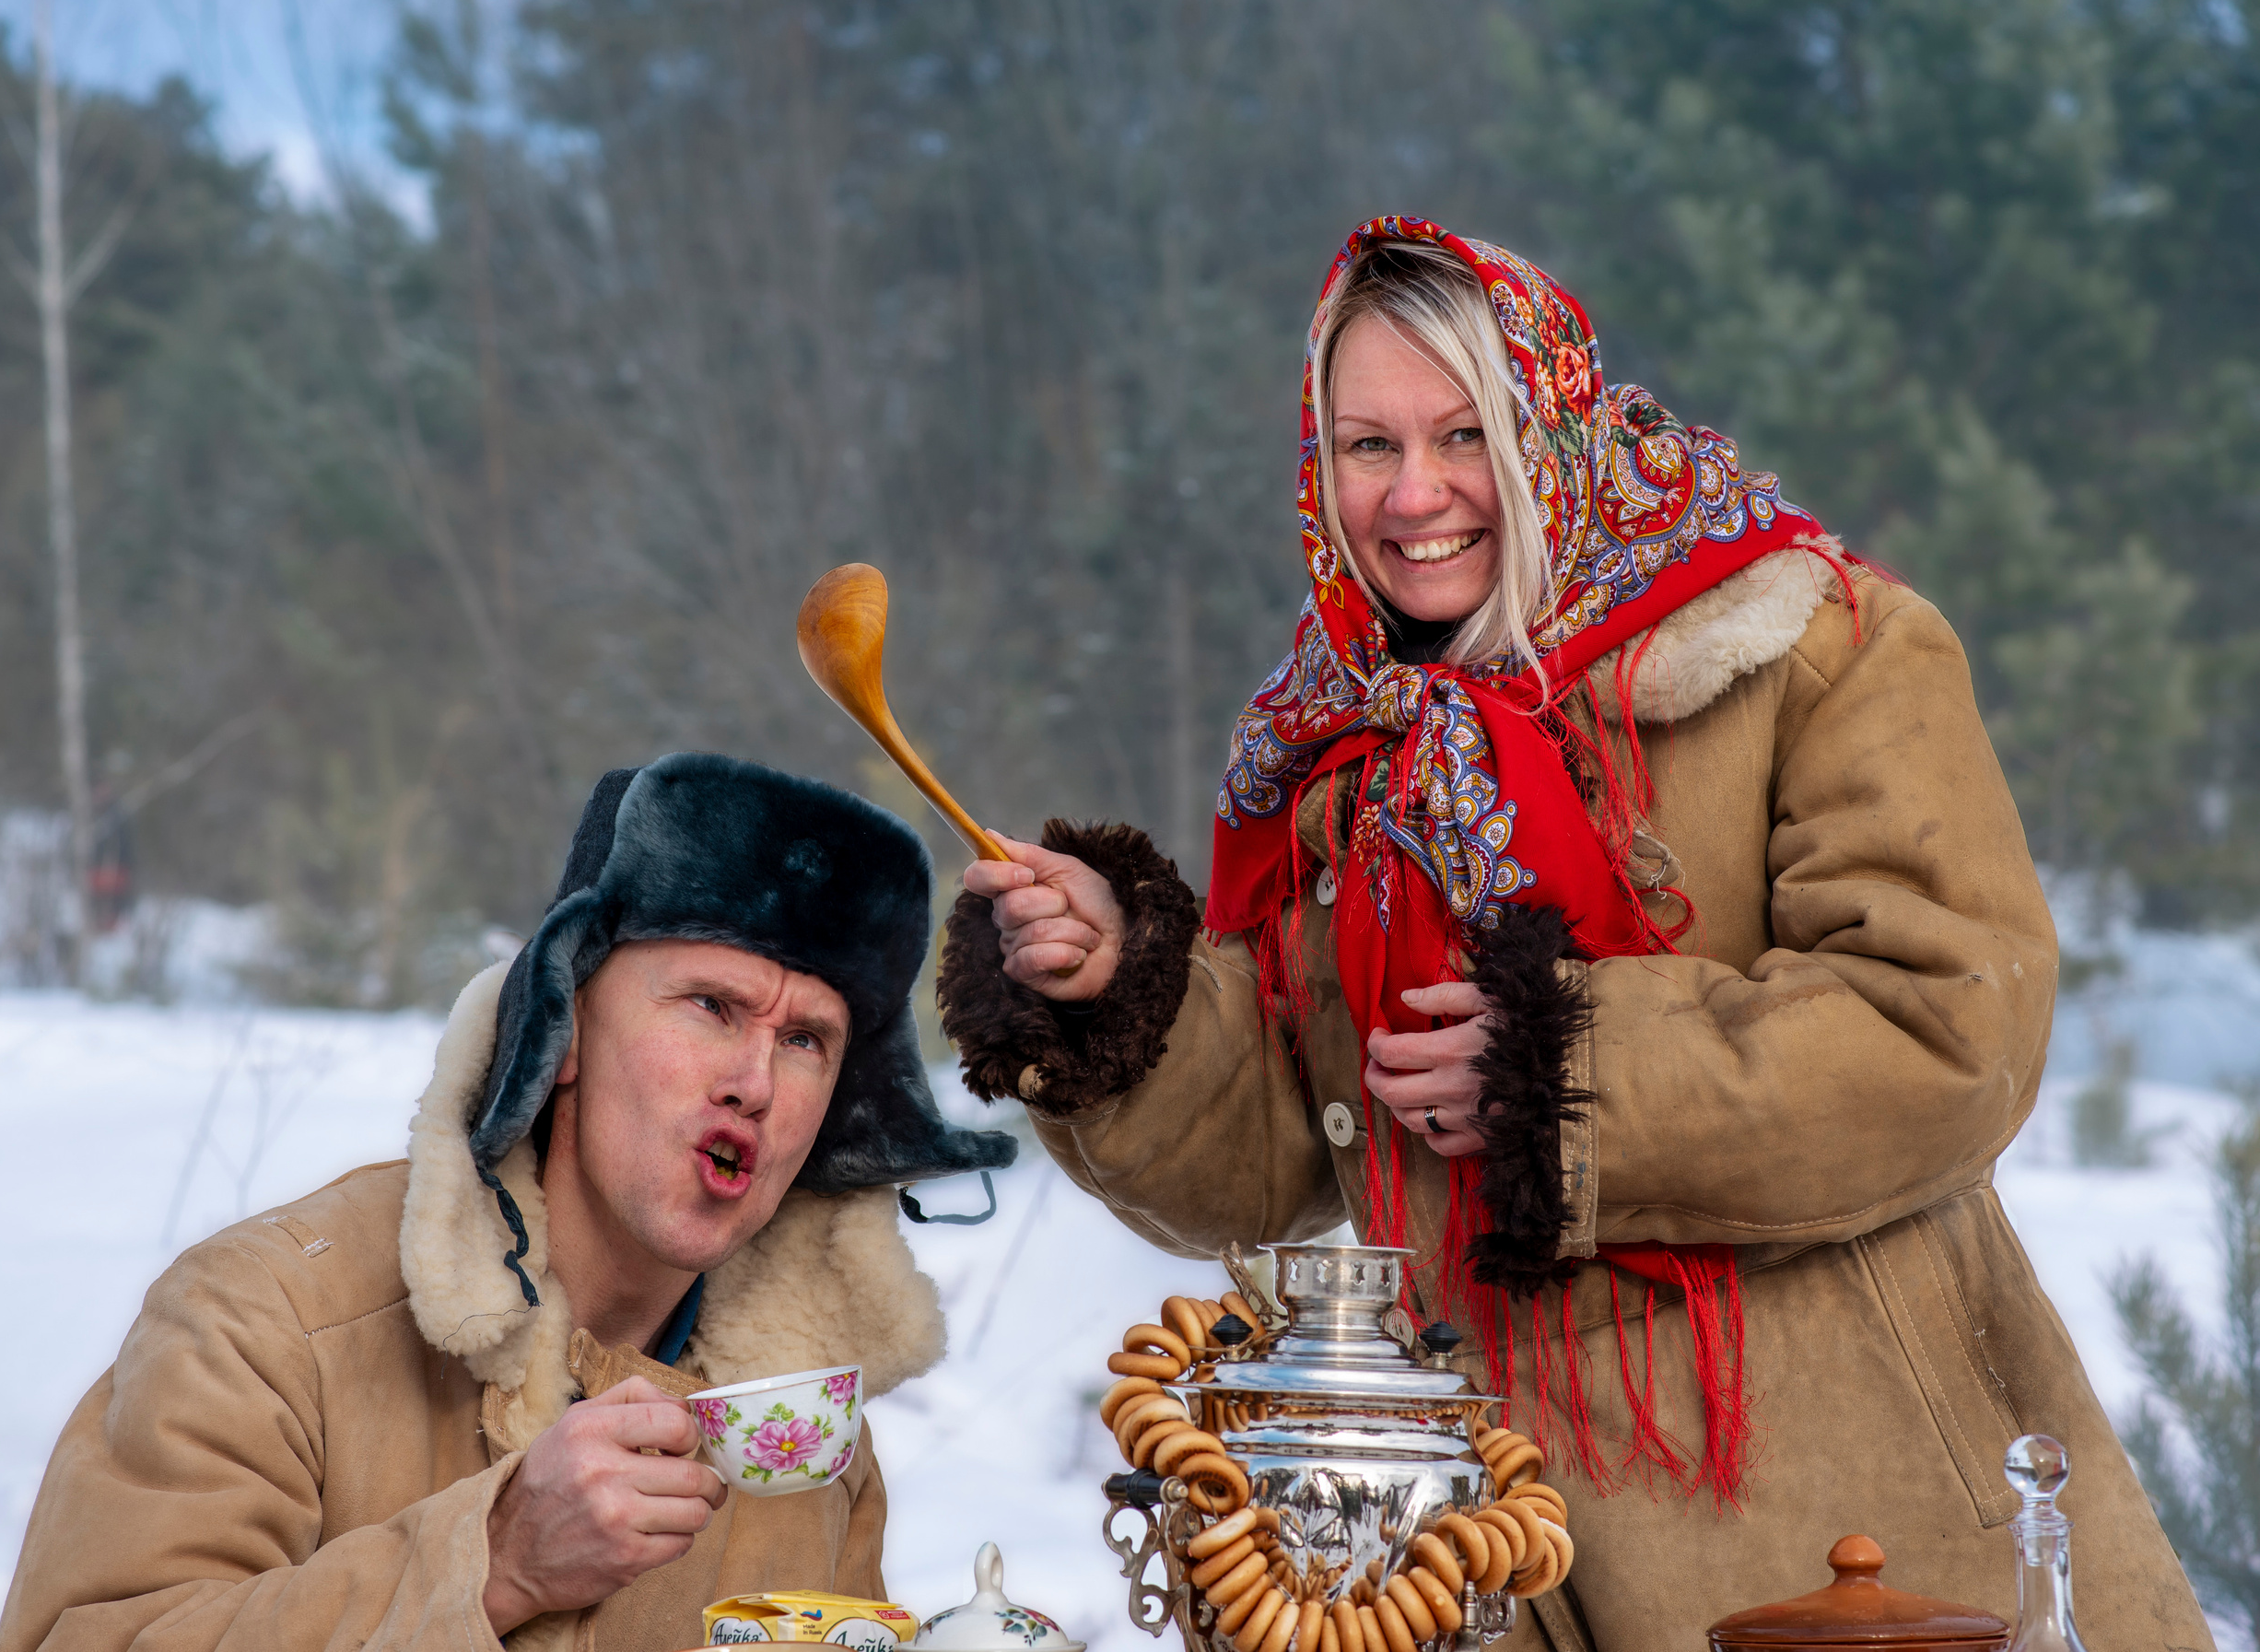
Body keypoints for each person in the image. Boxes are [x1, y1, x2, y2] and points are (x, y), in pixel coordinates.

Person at [938, 220, 2210, 1649]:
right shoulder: (1341, 754)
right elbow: (1280, 1156)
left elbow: (1950, 1025)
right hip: (1498, 1567)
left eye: (1465, 432)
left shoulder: (1811, 644)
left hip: (1867, 1549)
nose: (1415, 495)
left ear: (1550, 421)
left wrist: (1567, 1074)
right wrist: (1118, 988)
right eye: (1366, 446)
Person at [0, 753, 1014, 1652]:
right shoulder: (266, 1321)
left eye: (807, 1040)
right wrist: (491, 1564)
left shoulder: (802, 1439)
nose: (754, 1078)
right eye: (712, 1005)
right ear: (564, 1029)